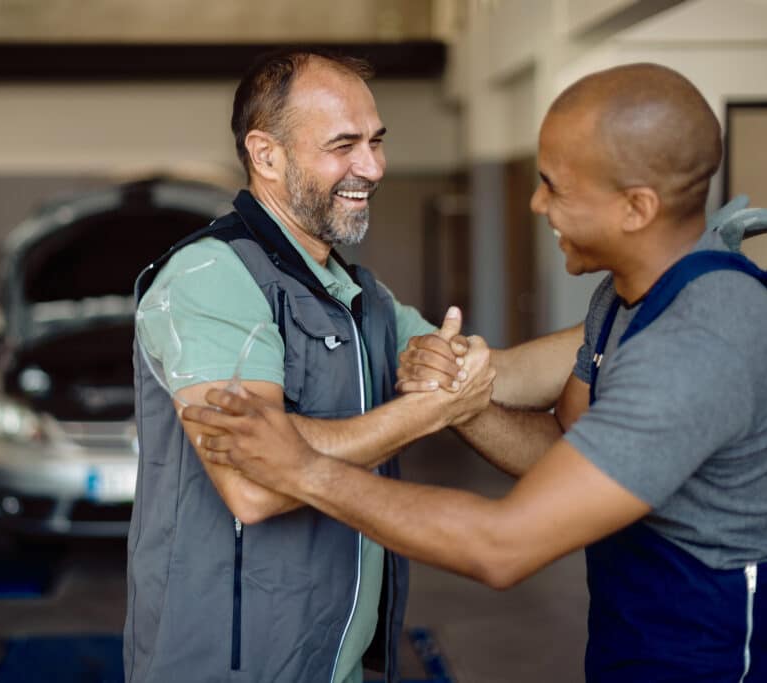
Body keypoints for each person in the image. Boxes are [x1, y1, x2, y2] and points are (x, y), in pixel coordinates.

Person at [183, 63, 767, 682]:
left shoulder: (706, 337)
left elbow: (503, 546)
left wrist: (307, 469)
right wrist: (467, 402)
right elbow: (563, 450)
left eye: (555, 187)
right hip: (635, 649)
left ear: (635, 208)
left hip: (724, 663)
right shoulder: (623, 299)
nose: (535, 203)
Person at [124, 49, 496, 683]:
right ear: (266, 154)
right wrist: (426, 411)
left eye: (376, 142)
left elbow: (481, 373)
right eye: (344, 145)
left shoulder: (359, 295)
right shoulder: (213, 279)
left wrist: (472, 360)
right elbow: (255, 486)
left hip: (333, 662)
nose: (373, 167)